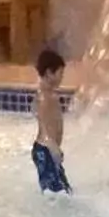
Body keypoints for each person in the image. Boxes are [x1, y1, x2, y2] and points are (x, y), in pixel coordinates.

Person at [31, 48, 72, 194]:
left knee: (64, 192)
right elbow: (42, 121)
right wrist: (52, 145)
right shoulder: (44, 96)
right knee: (55, 194)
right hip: (45, 150)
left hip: (48, 150)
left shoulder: (49, 94)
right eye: (60, 73)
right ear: (49, 73)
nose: (62, 77)